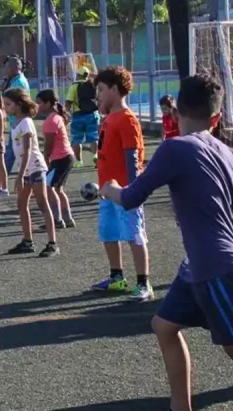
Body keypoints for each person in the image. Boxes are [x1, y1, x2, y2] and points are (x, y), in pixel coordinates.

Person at [100, 75, 233, 411]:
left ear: (175, 109)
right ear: (217, 118)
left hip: (214, 268)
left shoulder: (175, 149)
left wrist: (110, 188)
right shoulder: (224, 151)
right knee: (164, 325)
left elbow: (130, 198)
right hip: (201, 266)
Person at [91, 66, 153, 302]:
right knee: (108, 233)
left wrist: (133, 190)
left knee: (134, 236)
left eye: (102, 90)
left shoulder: (127, 120)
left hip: (125, 191)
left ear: (115, 90)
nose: (99, 95)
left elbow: (132, 157)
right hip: (107, 190)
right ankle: (117, 277)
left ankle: (143, 283)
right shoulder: (108, 119)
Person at [3, 88, 59, 257]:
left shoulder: (26, 122)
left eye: (8, 104)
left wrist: (19, 176)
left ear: (19, 104)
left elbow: (27, 151)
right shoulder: (15, 123)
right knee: (21, 205)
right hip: (25, 169)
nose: (5, 107)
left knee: (42, 204)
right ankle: (28, 241)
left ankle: (52, 243)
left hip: (34, 167)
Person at [37, 89, 76, 230]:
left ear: (48, 103)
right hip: (66, 157)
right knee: (58, 189)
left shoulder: (51, 120)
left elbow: (49, 145)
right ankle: (68, 219)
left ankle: (57, 220)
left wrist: (46, 160)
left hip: (61, 158)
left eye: (40, 103)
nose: (38, 106)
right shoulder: (56, 117)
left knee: (48, 188)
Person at [0, 56, 31, 180]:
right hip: (15, 119)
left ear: (15, 68)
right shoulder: (14, 80)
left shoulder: (19, 82)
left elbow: (14, 100)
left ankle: (1, 179)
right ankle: (1, 177)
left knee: (13, 150)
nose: (6, 70)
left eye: (8, 68)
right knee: (13, 149)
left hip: (19, 119)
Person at [66, 67, 101, 167]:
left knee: (76, 139)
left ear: (77, 75)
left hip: (78, 115)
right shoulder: (93, 85)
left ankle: (79, 161)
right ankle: (96, 155)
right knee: (94, 137)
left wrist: (65, 114)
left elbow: (68, 102)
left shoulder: (74, 86)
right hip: (93, 114)